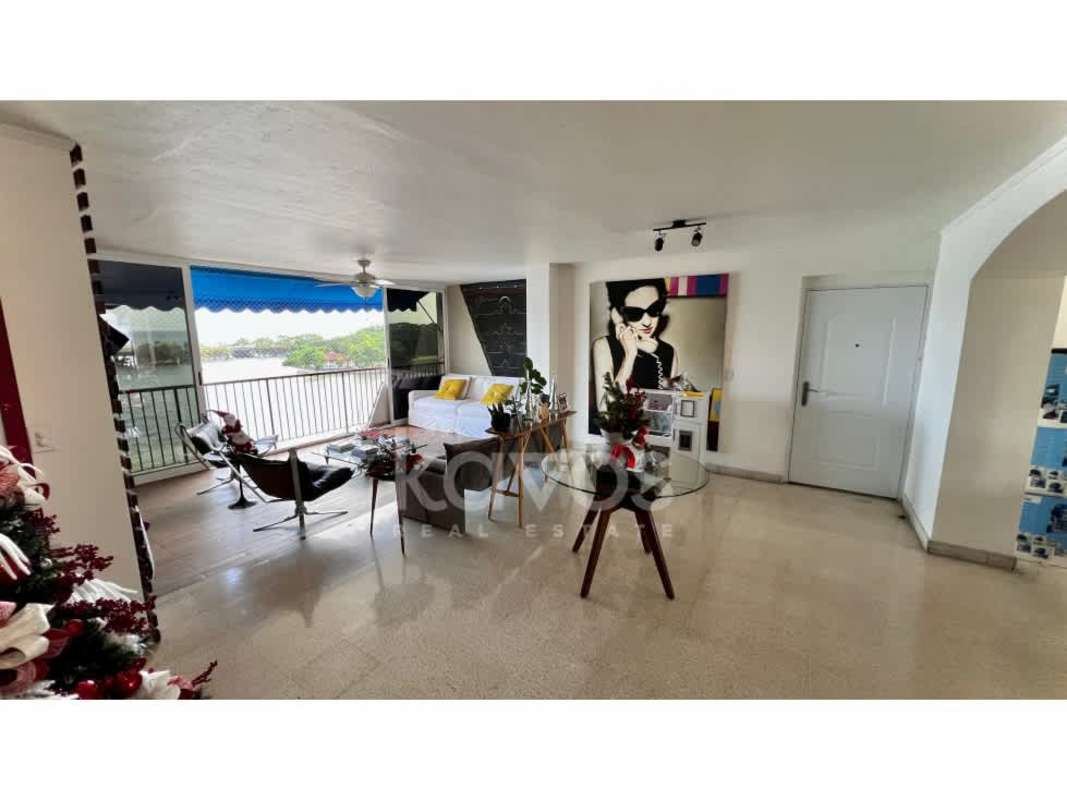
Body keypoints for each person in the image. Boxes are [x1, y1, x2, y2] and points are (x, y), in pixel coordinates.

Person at [592, 278, 679, 408]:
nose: (647, 321)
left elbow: (670, 411)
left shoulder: (669, 353)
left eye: (654, 309)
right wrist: (630, 356)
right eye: (634, 313)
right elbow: (606, 416)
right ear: (618, 315)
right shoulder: (603, 347)